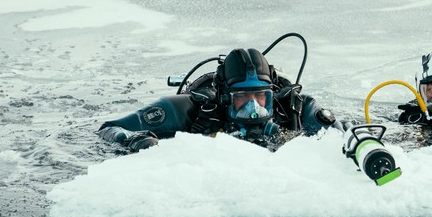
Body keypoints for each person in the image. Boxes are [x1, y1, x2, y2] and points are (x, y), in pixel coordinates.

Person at [99, 47, 341, 152]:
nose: (253, 108)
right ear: (224, 98)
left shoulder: (295, 109)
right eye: (243, 98)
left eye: (261, 97)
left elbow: (342, 136)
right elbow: (110, 128)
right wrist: (136, 141)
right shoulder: (187, 110)